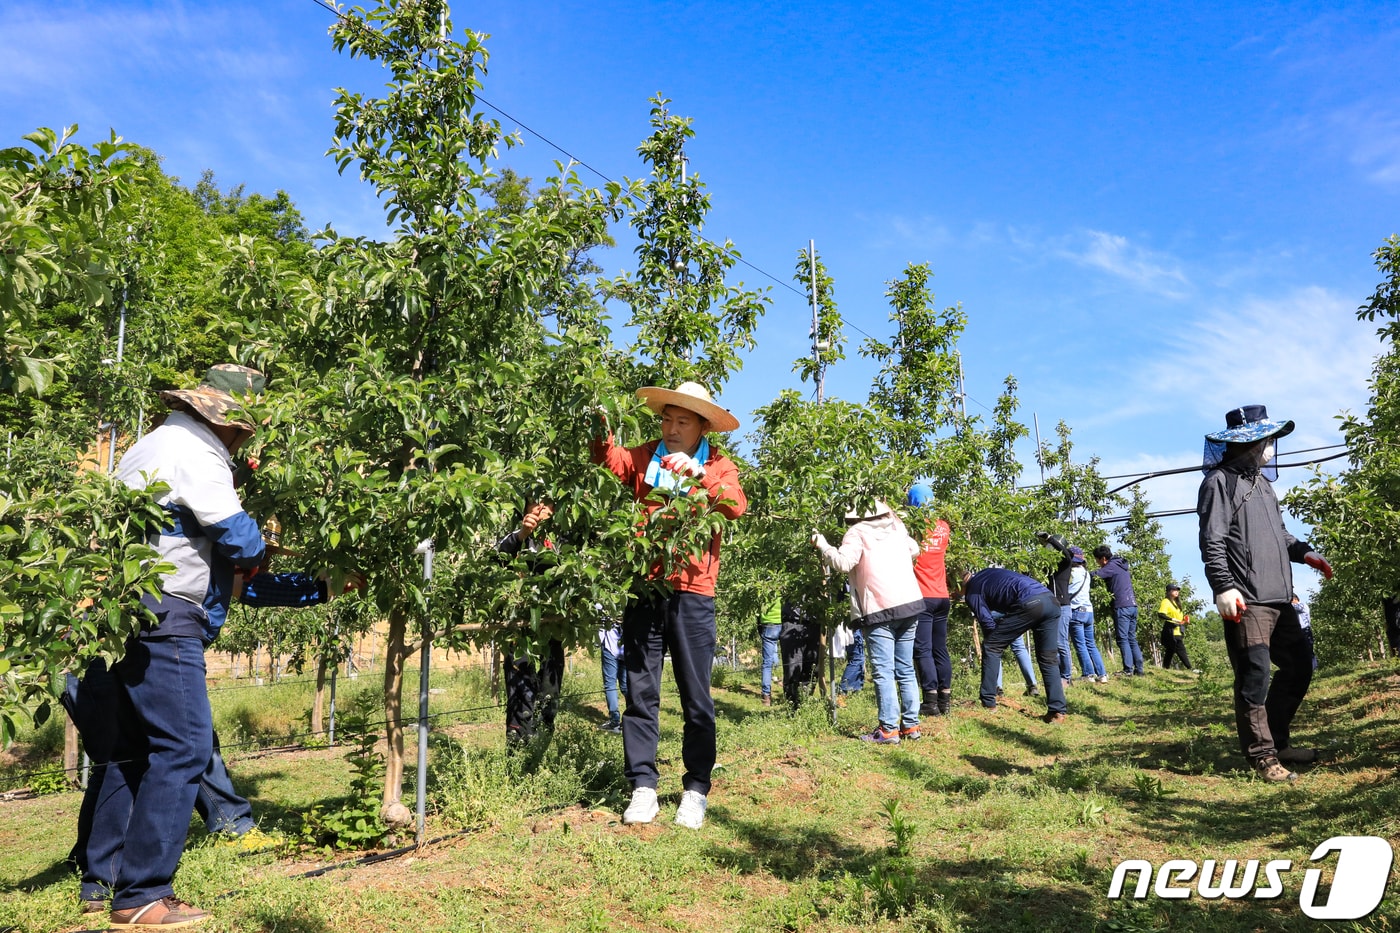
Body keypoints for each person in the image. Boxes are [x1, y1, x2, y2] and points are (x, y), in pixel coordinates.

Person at [88, 365, 273, 928]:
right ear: (229, 422)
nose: (244, 439)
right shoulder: (198, 453)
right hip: (168, 609)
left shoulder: (150, 443)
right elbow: (239, 535)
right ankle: (142, 894)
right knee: (186, 746)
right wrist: (261, 545)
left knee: (132, 751)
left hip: (124, 606)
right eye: (244, 429)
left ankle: (103, 880)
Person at [591, 381, 746, 829]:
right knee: (640, 692)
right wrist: (599, 426)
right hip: (646, 588)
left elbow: (736, 504)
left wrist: (699, 477)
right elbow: (609, 459)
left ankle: (696, 788)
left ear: (702, 427)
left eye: (682, 422)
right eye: (667, 419)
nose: (672, 429)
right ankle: (643, 785)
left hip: (694, 592)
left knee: (696, 696)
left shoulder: (718, 465)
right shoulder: (646, 456)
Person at [1198, 404, 1333, 783]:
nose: (1272, 445)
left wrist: (1306, 553)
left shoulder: (1263, 484)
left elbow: (1282, 535)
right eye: (1269, 438)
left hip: (1281, 598)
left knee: (1300, 667)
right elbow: (1213, 541)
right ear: (1252, 441)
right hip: (1247, 600)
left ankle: (1278, 740)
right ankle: (1262, 756)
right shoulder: (1219, 483)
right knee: (1254, 678)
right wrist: (1223, 585)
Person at [813, 499, 923, 744]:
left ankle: (888, 730)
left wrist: (823, 545)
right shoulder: (896, 526)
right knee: (905, 668)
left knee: (884, 671)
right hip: (910, 603)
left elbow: (843, 563)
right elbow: (914, 549)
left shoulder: (857, 532)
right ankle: (911, 726)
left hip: (880, 608)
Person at [959, 567, 1068, 723]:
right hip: (1051, 601)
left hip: (1031, 603)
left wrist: (994, 642)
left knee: (991, 646)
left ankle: (988, 701)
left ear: (957, 584)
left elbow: (987, 621)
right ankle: (1057, 711)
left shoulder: (972, 591)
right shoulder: (985, 573)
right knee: (1048, 658)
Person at [496, 502, 565, 745]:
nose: (541, 509)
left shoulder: (560, 541)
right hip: (521, 629)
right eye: (536, 504)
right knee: (520, 690)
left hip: (552, 629)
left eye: (547, 505)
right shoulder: (518, 538)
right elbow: (498, 557)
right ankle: (517, 748)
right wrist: (523, 534)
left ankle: (543, 745)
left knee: (549, 690)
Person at [907, 484, 953, 716]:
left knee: (922, 649)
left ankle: (930, 700)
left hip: (923, 596)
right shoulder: (944, 527)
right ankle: (945, 698)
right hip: (942, 596)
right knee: (940, 648)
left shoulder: (914, 529)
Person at [1092, 545, 1144, 676]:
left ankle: (1128, 670)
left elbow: (1095, 575)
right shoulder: (1120, 564)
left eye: (1097, 561)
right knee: (1131, 637)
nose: (1098, 564)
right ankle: (1139, 669)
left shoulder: (1111, 566)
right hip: (1132, 605)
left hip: (1122, 606)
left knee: (1123, 639)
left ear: (1103, 558)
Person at [1066, 547, 1109, 683]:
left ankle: (1088, 674)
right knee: (1091, 643)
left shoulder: (1071, 573)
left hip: (1077, 610)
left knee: (1080, 644)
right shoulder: (1085, 573)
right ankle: (1102, 674)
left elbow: (1067, 591)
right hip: (1089, 611)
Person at [1041, 534, 1076, 688]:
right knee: (1052, 643)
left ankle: (1066, 677)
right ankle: (1057, 675)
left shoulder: (1066, 563)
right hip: (1051, 606)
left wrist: (1050, 539)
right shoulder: (1050, 569)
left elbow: (1065, 552)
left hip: (1063, 606)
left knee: (1061, 643)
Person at [779, 600, 822, 708]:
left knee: (813, 667)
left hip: (815, 624)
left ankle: (805, 703)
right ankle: (792, 706)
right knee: (792, 667)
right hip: (792, 623)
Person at [1157, 584, 1195, 671]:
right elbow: (1161, 614)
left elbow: (1178, 618)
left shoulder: (1176, 603)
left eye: (1177, 590)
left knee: (1170, 650)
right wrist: (1172, 619)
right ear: (1169, 591)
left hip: (1178, 629)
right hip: (1170, 629)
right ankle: (1190, 668)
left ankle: (1165, 668)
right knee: (1181, 649)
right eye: (1174, 590)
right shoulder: (1166, 601)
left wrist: (1185, 620)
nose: (1177, 592)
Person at [598, 622, 627, 733]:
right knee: (626, 685)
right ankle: (632, 717)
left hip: (610, 646)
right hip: (626, 647)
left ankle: (614, 721)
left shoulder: (603, 604)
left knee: (610, 684)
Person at [758, 600, 782, 707]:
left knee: (767, 663)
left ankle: (766, 696)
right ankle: (788, 691)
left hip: (768, 624)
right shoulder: (784, 586)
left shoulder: (762, 587)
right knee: (787, 659)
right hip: (782, 622)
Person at [1292, 594, 1318, 671]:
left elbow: (1295, 607)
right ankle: (1306, 669)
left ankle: (1313, 668)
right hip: (1300, 631)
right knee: (1301, 651)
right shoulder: (1296, 607)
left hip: (1305, 630)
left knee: (1308, 650)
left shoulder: (1302, 605)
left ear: (1295, 599)